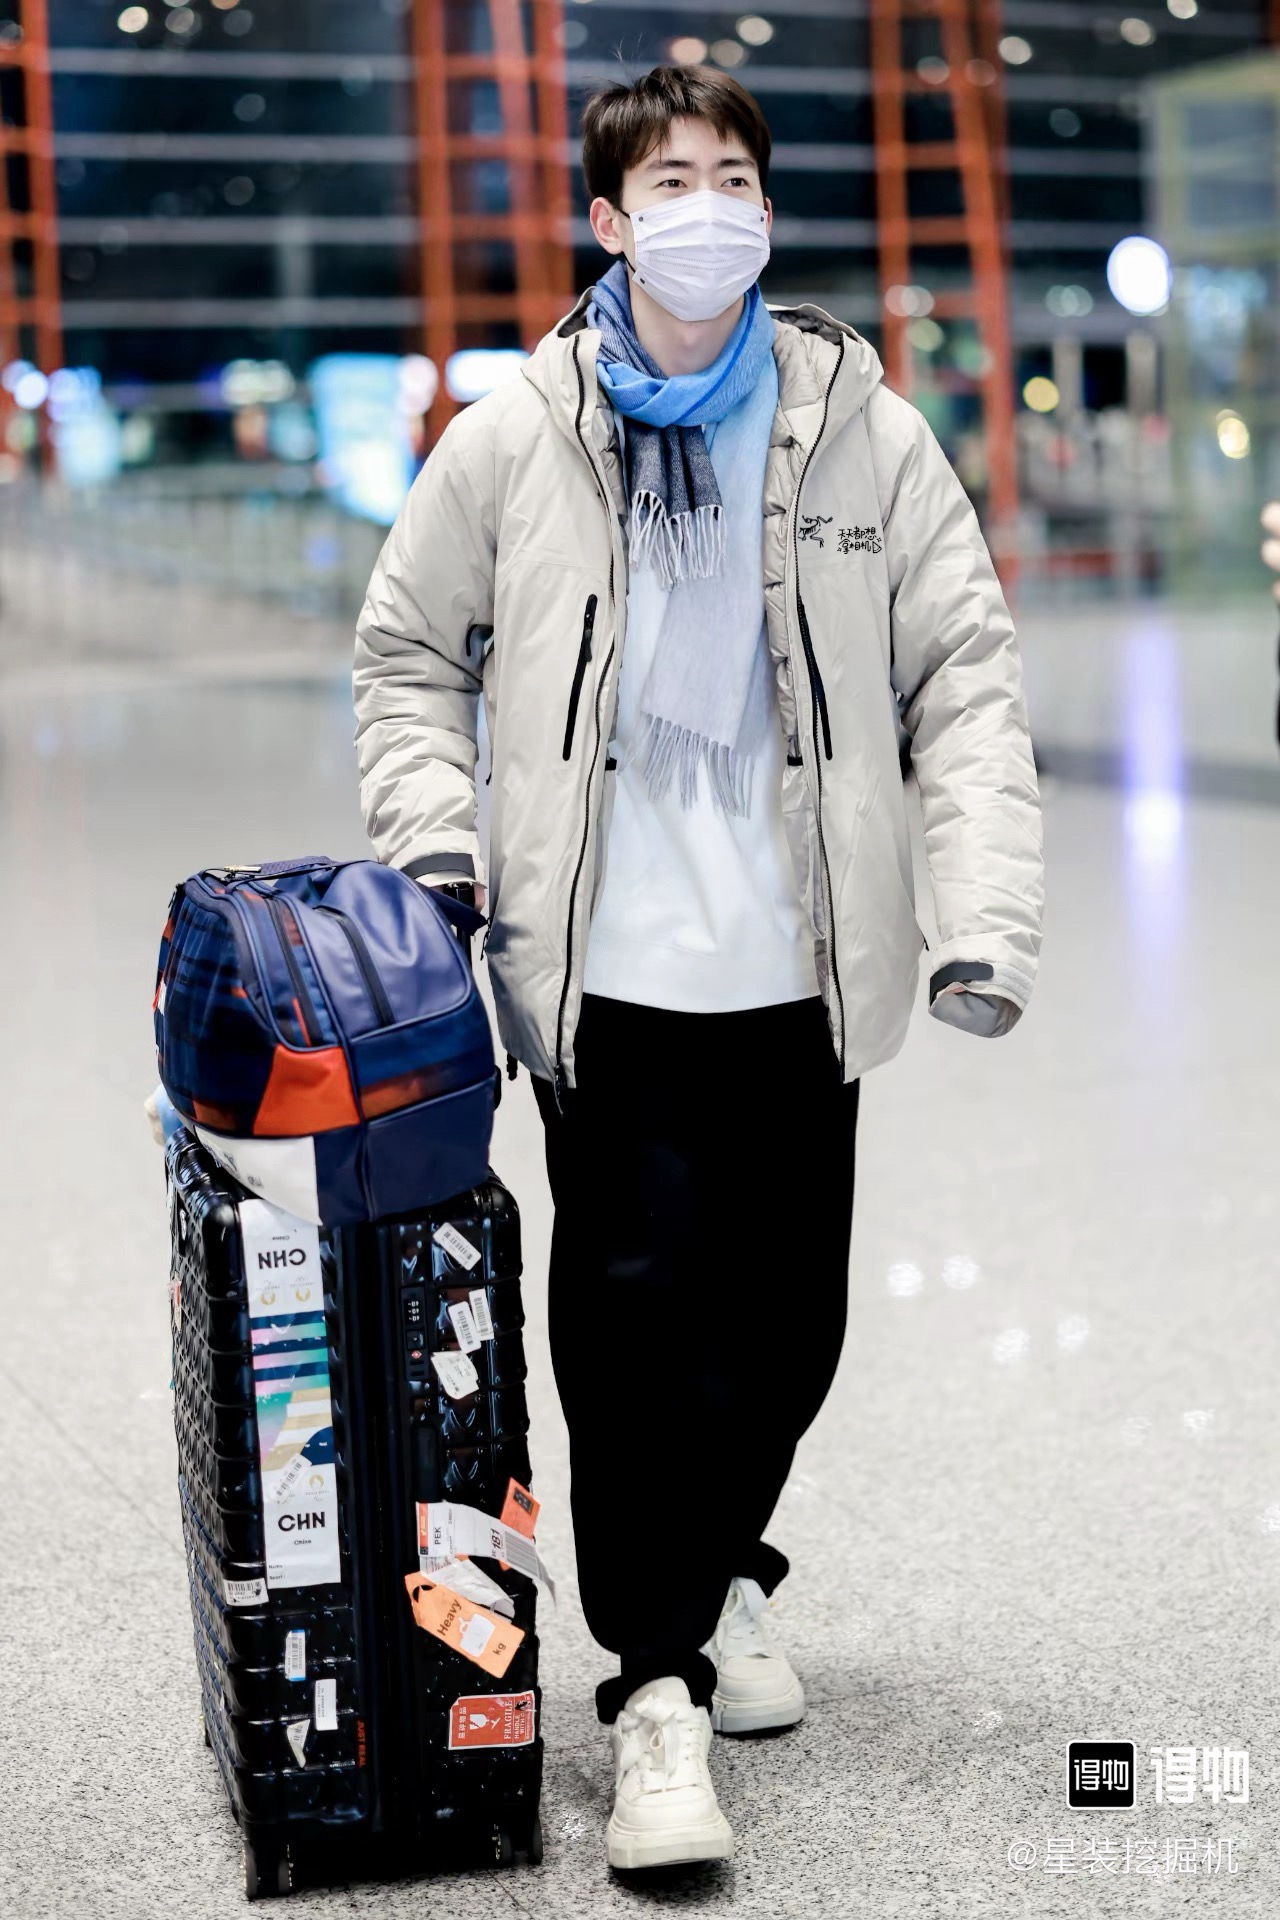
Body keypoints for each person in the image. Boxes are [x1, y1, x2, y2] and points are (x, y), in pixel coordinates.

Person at [352, 63, 1045, 1873]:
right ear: (608, 221)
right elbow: (408, 651)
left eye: (734, 175)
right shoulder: (523, 433)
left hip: (805, 968)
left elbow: (964, 675)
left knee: (790, 1325)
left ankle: (727, 1564)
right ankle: (654, 1685)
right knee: (636, 1328)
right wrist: (442, 845)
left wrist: (980, 913)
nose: (709, 207)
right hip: (608, 970)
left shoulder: (859, 430)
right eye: (671, 181)